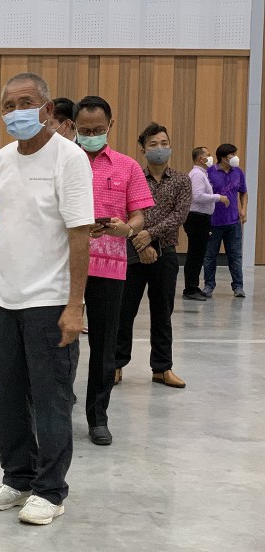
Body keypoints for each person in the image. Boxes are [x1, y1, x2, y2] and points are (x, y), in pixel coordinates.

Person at [0, 72, 93, 526]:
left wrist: (74, 305)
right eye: (8, 105)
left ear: (46, 109)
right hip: (6, 299)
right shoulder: (3, 159)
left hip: (50, 301)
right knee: (9, 398)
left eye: (25, 102)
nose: (16, 112)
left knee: (51, 400)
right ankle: (17, 478)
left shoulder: (70, 158)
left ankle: (50, 489)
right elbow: (4, 232)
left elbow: (80, 235)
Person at [73, 95, 153, 446]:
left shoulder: (127, 166)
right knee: (59, 340)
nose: (91, 136)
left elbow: (139, 214)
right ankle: (57, 408)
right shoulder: (63, 162)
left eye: (98, 130)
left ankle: (98, 417)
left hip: (109, 267)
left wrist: (127, 228)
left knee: (105, 345)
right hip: (63, 264)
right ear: (74, 127)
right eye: (85, 130)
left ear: (110, 126)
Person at [115, 122, 191, 389]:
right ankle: (116, 365)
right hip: (133, 252)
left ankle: (162, 368)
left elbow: (179, 215)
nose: (160, 148)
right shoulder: (132, 177)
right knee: (124, 312)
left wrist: (150, 234)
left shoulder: (181, 180)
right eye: (153, 144)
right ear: (143, 149)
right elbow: (125, 212)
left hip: (166, 254)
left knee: (162, 313)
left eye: (164, 143)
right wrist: (140, 242)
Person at [183, 147, 229, 300]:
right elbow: (197, 196)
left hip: (201, 219)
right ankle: (190, 289)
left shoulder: (202, 174)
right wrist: (218, 197)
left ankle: (193, 286)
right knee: (195, 254)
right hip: (196, 218)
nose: (210, 158)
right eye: (207, 155)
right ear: (200, 159)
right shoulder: (197, 174)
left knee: (198, 254)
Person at [204, 143, 248, 298]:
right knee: (210, 256)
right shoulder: (210, 172)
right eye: (232, 155)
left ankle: (238, 286)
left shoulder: (238, 172)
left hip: (233, 222)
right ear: (223, 157)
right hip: (213, 222)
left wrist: (243, 209)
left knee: (235, 256)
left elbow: (243, 192)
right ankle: (209, 285)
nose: (235, 157)